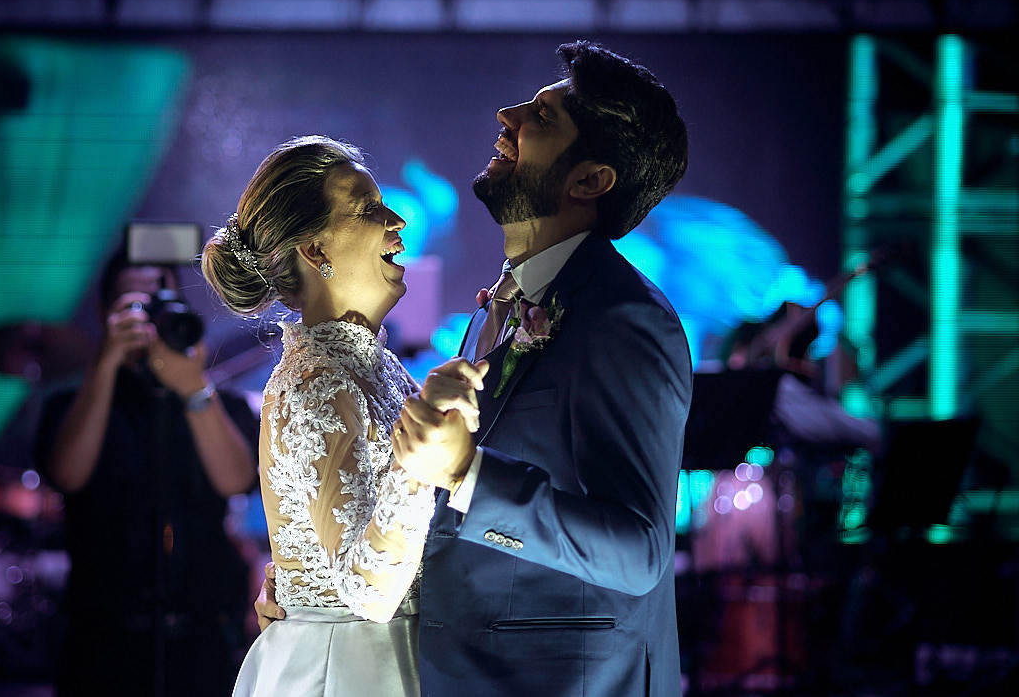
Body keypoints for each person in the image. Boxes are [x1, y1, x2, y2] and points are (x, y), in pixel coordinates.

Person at [259, 41, 693, 696]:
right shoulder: (504, 304)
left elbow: (640, 554)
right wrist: (313, 583)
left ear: (589, 180)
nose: (506, 114)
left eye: (542, 118)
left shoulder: (624, 320)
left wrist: (467, 474)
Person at [202, 136, 479, 697]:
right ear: (314, 250)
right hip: (353, 668)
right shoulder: (317, 382)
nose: (397, 220)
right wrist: (421, 446)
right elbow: (369, 591)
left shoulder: (365, 363)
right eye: (369, 208)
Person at [35, 253, 257, 697]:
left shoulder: (219, 403)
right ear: (105, 313)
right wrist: (105, 364)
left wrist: (192, 386)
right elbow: (68, 475)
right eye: (131, 304)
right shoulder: (71, 406)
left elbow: (237, 481)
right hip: (102, 641)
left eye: (158, 301)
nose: (146, 317)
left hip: (204, 638)